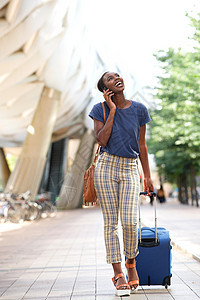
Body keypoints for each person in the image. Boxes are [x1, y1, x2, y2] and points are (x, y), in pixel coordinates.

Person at [89, 71, 153, 297]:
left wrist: (147, 175)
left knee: (130, 221)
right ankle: (118, 273)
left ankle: (131, 263)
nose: (116, 77)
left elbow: (142, 145)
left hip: (129, 168)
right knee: (110, 223)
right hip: (106, 166)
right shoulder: (101, 109)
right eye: (109, 78)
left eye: (117, 74)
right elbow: (101, 139)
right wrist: (112, 110)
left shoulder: (139, 110)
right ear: (105, 89)